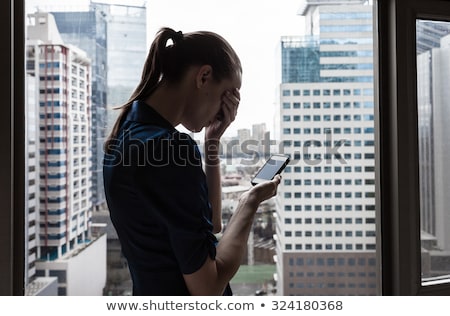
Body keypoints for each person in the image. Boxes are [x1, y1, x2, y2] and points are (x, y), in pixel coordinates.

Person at [103, 27, 281, 296]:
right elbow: (208, 290)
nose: (227, 111)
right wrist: (249, 202)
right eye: (228, 95)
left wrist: (212, 143)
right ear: (204, 76)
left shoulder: (127, 130)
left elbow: (208, 222)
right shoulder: (170, 149)